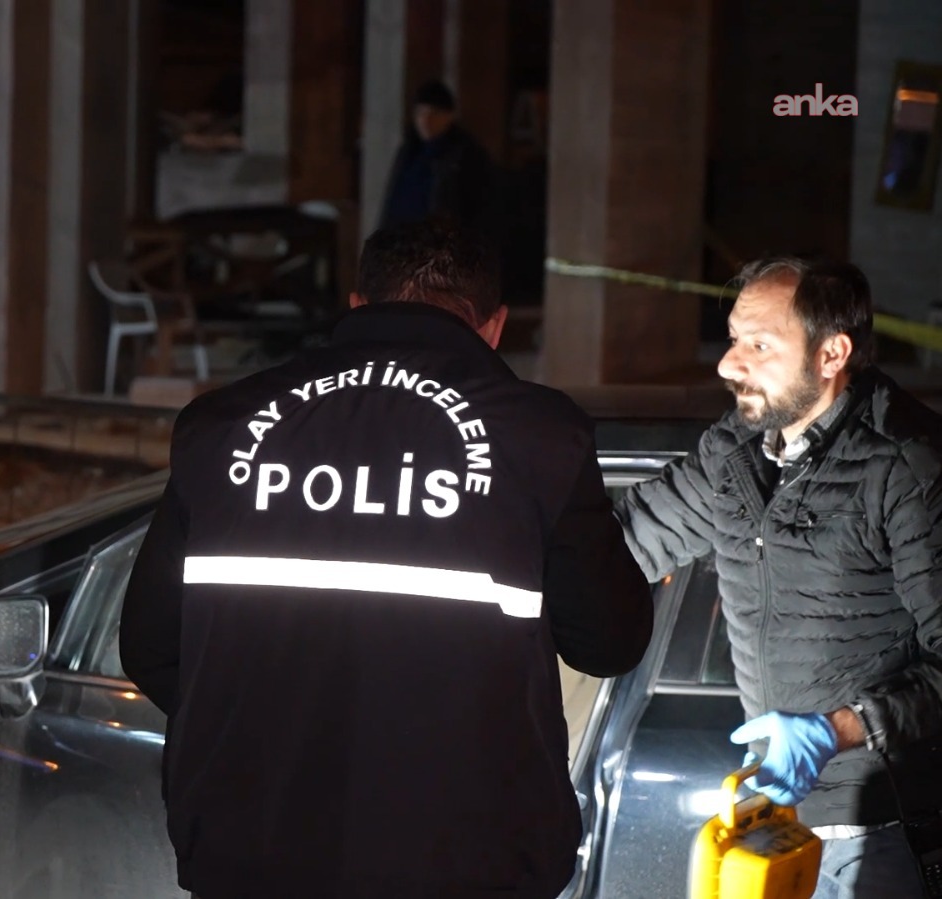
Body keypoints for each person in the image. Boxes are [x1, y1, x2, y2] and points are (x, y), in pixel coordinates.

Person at [118, 221, 653, 899]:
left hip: (251, 854)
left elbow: (150, 646)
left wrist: (273, 728)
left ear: (356, 305)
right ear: (493, 327)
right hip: (469, 860)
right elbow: (610, 641)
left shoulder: (220, 425)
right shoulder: (541, 436)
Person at [615, 257, 941, 898]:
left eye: (759, 345)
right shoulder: (736, 451)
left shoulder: (907, 466)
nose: (728, 364)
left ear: (831, 354)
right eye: (734, 339)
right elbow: (625, 544)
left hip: (884, 832)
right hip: (775, 824)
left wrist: (836, 729)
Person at [377, 79, 496, 235]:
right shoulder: (409, 151)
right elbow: (393, 201)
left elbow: (476, 209)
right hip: (404, 238)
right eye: (420, 113)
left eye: (434, 114)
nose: (426, 120)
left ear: (449, 116)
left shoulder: (465, 155)